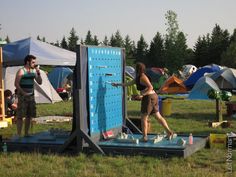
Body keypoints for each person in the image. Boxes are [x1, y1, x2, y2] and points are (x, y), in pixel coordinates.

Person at [112, 62, 173, 142]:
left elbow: (150, 87)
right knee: (158, 116)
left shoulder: (142, 77)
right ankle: (169, 132)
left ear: (138, 69)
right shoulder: (138, 77)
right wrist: (118, 84)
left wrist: (142, 95)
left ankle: (144, 137)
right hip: (153, 97)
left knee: (144, 117)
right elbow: (128, 83)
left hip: (149, 97)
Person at [14, 55, 42, 137]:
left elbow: (40, 82)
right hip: (23, 96)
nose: (34, 64)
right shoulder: (21, 71)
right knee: (20, 116)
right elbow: (16, 84)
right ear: (27, 62)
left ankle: (26, 133)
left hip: (31, 96)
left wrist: (38, 72)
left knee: (29, 115)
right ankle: (19, 134)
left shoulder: (34, 71)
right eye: (33, 62)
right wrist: (23, 92)